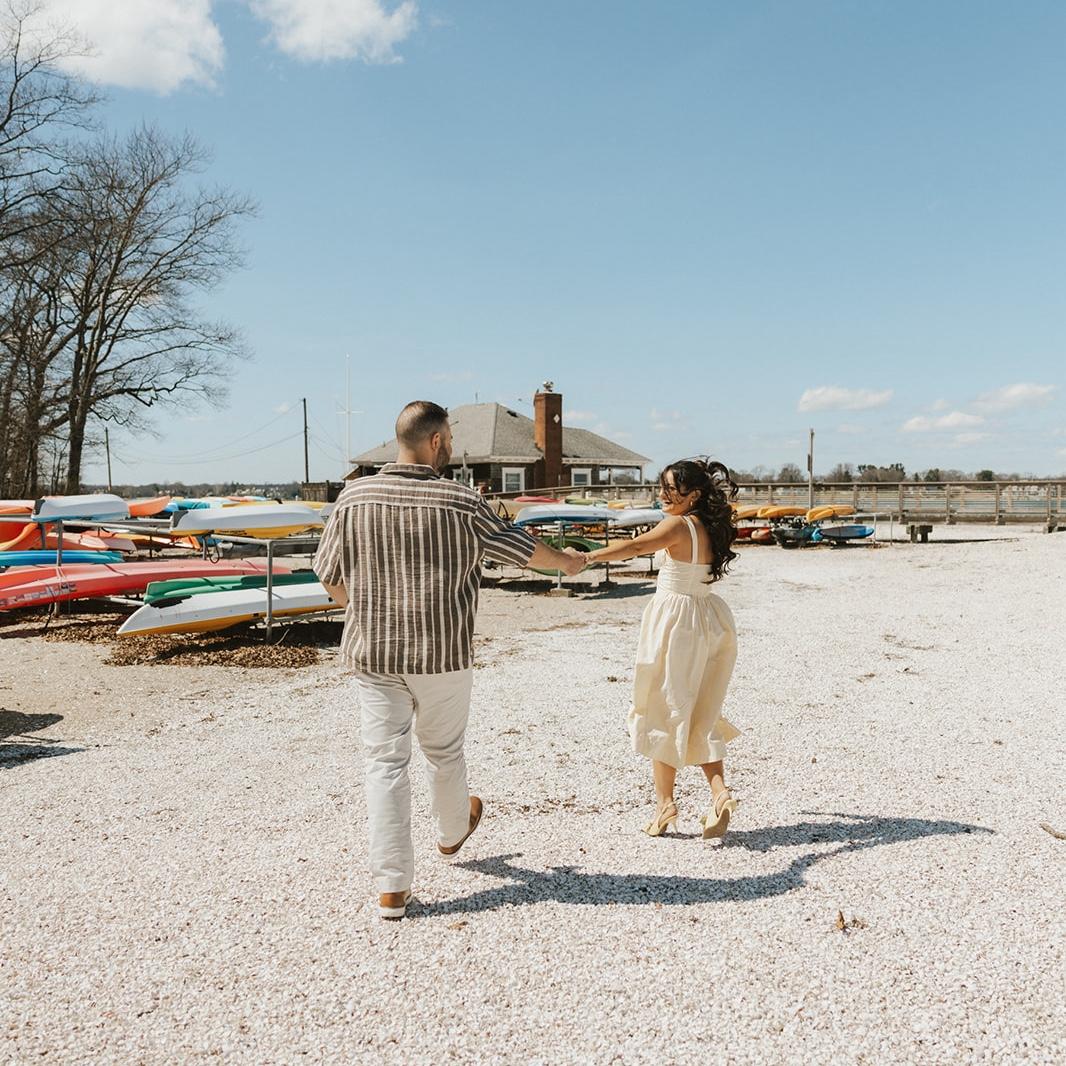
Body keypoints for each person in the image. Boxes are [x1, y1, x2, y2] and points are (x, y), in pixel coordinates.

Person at [314, 401, 585, 920]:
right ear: (435, 440)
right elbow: (521, 550)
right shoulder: (461, 500)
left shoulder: (353, 497)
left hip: (374, 652)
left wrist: (364, 610)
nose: (452, 449)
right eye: (451, 440)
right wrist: (567, 563)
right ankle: (452, 831)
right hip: (442, 653)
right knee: (443, 751)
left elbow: (327, 574)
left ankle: (392, 887)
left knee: (384, 764)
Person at [583, 458, 741, 839]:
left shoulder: (677, 526)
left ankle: (665, 805)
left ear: (694, 495)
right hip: (708, 617)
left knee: (662, 708)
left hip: (677, 622)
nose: (663, 495)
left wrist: (588, 557)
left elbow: (636, 546)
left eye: (671, 489)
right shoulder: (711, 527)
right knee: (702, 710)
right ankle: (719, 794)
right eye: (662, 487)